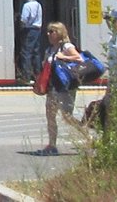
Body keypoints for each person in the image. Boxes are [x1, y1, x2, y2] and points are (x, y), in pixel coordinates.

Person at [37, 21, 83, 156]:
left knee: (67, 116)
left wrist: (64, 57)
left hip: (65, 87)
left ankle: (87, 135)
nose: (49, 34)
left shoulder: (66, 46)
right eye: (48, 31)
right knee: (50, 116)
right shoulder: (49, 50)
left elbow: (79, 58)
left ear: (59, 33)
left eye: (52, 31)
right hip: (52, 87)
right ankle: (52, 145)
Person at [19, 0, 44, 83]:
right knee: (36, 52)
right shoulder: (38, 5)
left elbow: (24, 19)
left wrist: (21, 26)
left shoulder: (27, 5)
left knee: (26, 52)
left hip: (29, 30)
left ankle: (26, 76)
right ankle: (38, 75)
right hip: (38, 29)